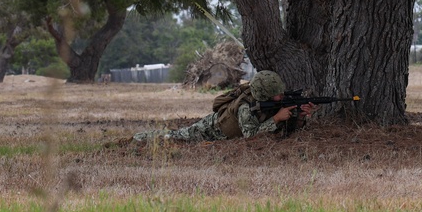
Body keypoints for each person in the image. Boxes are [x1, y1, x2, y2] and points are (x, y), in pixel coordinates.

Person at [133, 70, 318, 142]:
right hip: (209, 130)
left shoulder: (270, 101)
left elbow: (288, 129)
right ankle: (141, 138)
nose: (281, 96)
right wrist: (277, 118)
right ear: (264, 93)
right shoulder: (246, 107)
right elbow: (251, 135)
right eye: (276, 94)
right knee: (176, 137)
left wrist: (301, 115)